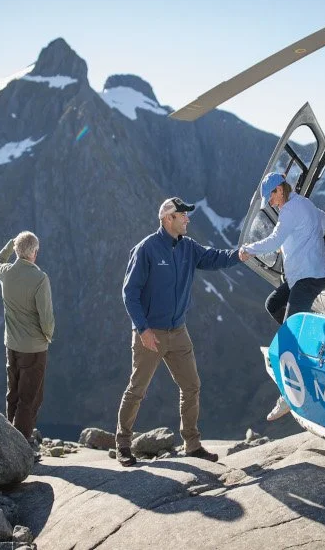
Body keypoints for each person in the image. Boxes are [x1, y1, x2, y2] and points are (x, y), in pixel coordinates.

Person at [115, 197, 242, 466]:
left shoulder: (188, 247)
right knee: (137, 389)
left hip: (178, 331)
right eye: (182, 215)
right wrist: (143, 329)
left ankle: (192, 445)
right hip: (151, 334)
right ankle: (123, 445)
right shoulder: (147, 249)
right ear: (168, 218)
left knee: (191, 386)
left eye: (186, 215)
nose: (187, 219)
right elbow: (130, 293)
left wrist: (240, 255)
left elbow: (213, 258)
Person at [239, 173, 325, 421]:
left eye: (271, 196)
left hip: (308, 276)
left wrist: (248, 249)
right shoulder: (304, 203)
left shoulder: (290, 210)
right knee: (273, 304)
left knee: (289, 334)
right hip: (303, 274)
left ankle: (289, 394)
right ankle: (306, 341)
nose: (270, 202)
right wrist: (306, 240)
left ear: (280, 189)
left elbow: (273, 241)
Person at [0, 231, 55, 445]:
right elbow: (46, 316)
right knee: (30, 399)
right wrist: (48, 336)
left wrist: (11, 244)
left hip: (11, 346)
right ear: (34, 253)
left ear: (18, 251)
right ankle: (20, 447)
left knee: (14, 394)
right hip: (35, 349)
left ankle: (9, 440)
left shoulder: (6, 273)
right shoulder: (40, 278)